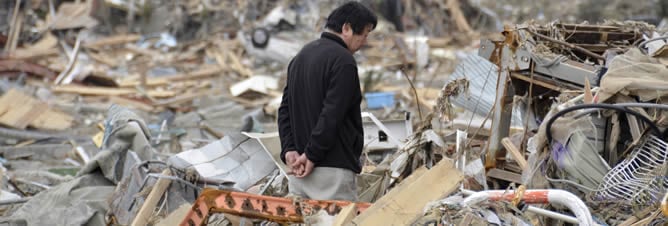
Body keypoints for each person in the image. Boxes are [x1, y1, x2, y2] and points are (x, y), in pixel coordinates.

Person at [277, 1, 377, 201]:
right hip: (332, 173)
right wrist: (312, 155)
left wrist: (289, 150)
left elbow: (284, 110)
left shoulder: (300, 57)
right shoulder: (344, 61)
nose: (365, 41)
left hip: (299, 172)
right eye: (364, 34)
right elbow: (332, 115)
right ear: (346, 28)